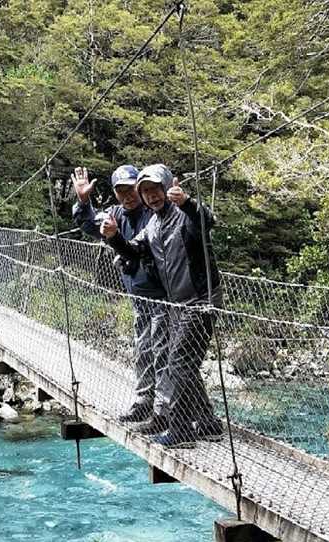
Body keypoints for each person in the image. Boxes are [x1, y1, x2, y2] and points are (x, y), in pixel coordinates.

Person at [100, 163, 223, 448]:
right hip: (178, 303)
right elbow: (133, 249)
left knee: (178, 362)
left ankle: (180, 431)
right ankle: (207, 423)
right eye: (146, 192)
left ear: (168, 188)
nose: (152, 197)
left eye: (156, 190)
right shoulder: (153, 224)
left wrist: (189, 203)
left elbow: (208, 221)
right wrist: (114, 237)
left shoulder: (185, 215)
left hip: (202, 301)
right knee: (184, 363)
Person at [71, 165, 169, 432]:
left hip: (163, 295)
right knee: (143, 349)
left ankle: (163, 411)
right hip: (138, 296)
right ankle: (144, 402)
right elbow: (89, 225)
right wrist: (83, 200)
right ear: (116, 193)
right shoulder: (114, 214)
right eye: (121, 191)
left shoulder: (154, 212)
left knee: (162, 353)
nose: (128, 196)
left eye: (131, 189)